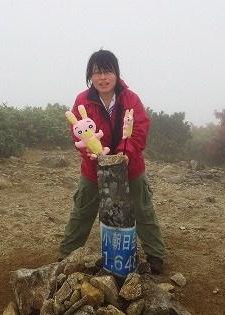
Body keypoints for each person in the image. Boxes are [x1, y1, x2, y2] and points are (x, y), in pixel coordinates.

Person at [59, 49, 166, 274]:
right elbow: (77, 130)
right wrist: (90, 152)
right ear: (90, 76)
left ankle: (156, 256)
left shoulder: (130, 98)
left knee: (143, 209)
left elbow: (139, 129)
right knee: (82, 212)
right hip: (93, 168)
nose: (103, 77)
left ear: (116, 73)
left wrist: (124, 154)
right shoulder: (83, 100)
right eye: (97, 72)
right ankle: (65, 257)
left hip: (131, 166)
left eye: (107, 71)